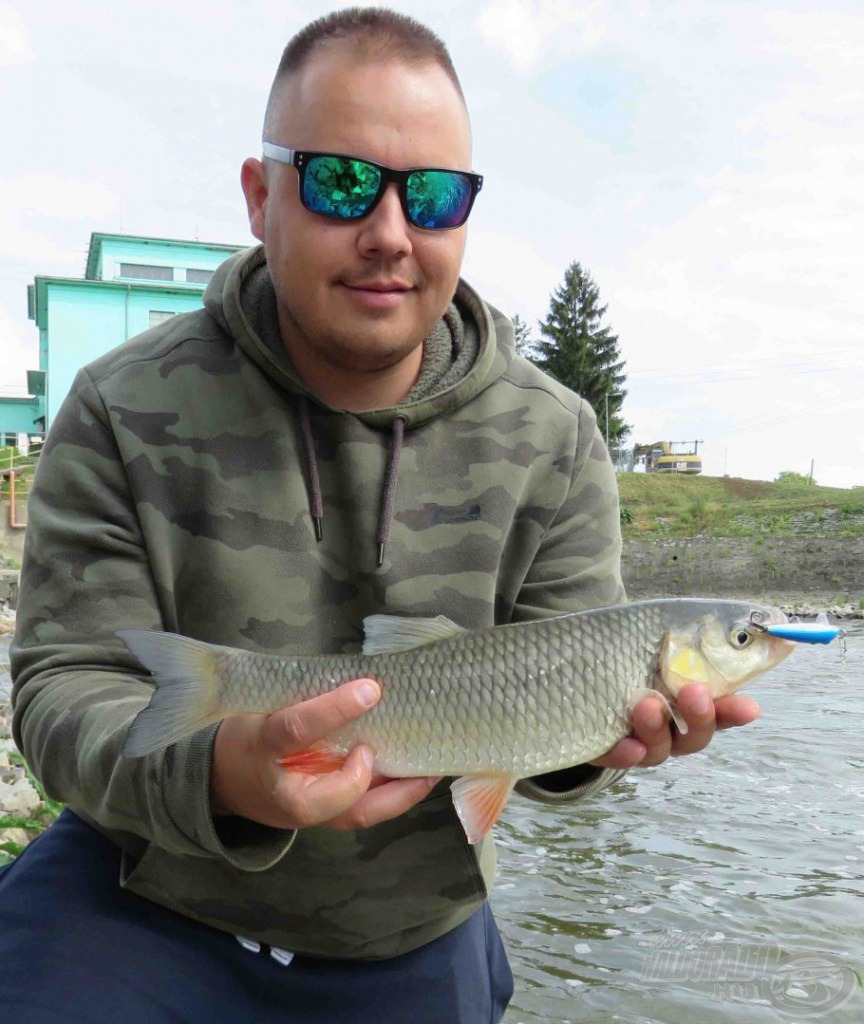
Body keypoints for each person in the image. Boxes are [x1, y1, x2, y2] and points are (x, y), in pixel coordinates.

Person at [1, 8, 759, 1023]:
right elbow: (61, 685)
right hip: (149, 886)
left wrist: (600, 740)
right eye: (343, 182)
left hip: (407, 924)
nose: (391, 234)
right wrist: (222, 772)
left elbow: (556, 720)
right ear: (261, 196)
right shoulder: (119, 403)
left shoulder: (557, 435)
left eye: (436, 196)